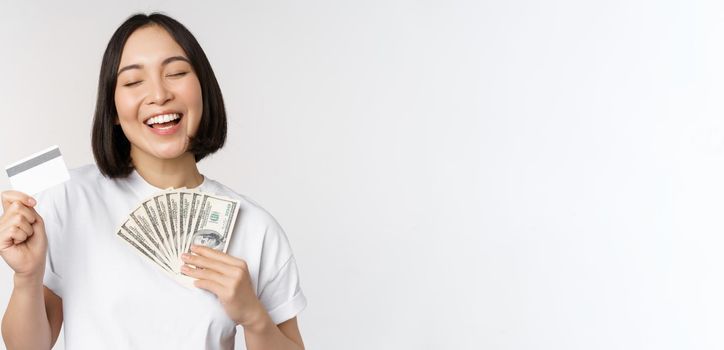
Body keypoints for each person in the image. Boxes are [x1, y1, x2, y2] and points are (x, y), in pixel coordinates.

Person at [0, 13, 306, 350]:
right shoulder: (69, 199)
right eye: (133, 82)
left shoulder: (255, 227)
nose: (159, 94)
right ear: (113, 109)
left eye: (176, 73)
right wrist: (26, 279)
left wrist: (254, 317)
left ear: (203, 88)